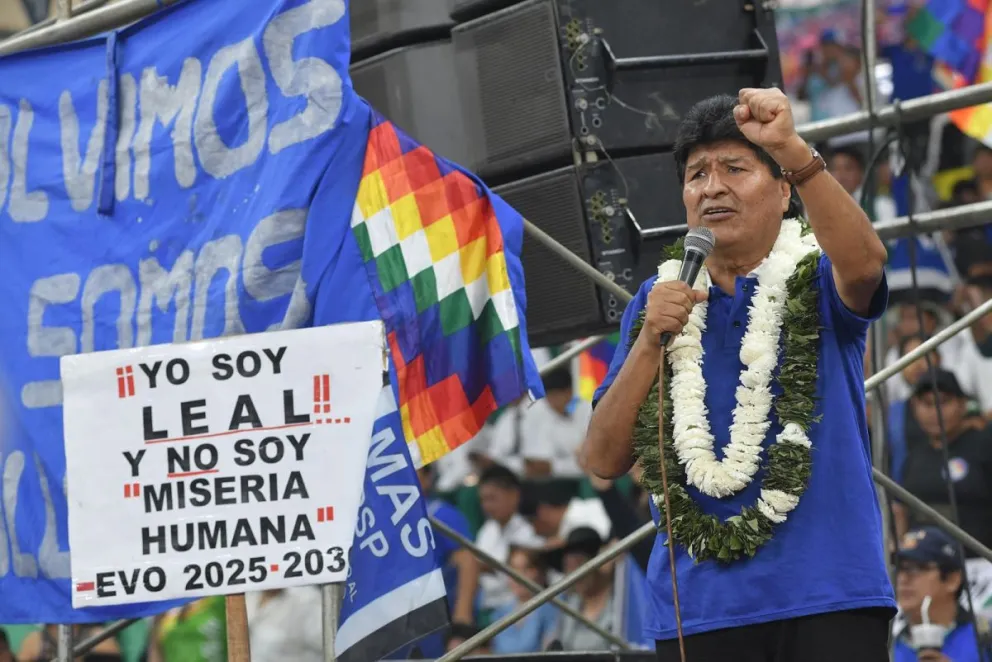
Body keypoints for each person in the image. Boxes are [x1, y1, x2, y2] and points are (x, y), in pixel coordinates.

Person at [583, 89, 894, 661]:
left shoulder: (815, 275)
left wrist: (791, 149)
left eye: (734, 168)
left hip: (830, 596)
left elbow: (867, 265)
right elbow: (602, 459)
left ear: (784, 190)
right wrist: (650, 342)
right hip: (700, 610)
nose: (712, 187)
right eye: (696, 174)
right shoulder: (659, 300)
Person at [894, 370, 992, 550]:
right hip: (921, 562)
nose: (935, 412)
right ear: (914, 407)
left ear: (962, 404)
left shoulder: (985, 445)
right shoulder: (914, 456)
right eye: (927, 404)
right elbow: (901, 511)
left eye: (944, 402)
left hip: (980, 560)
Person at [893, 526, 992, 662]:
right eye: (898, 569)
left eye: (915, 568)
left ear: (952, 580)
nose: (902, 579)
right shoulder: (886, 646)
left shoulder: (986, 637)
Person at [489, 546, 559, 654]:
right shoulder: (499, 614)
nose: (517, 576)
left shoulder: (553, 609)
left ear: (541, 572)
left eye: (526, 569)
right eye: (513, 569)